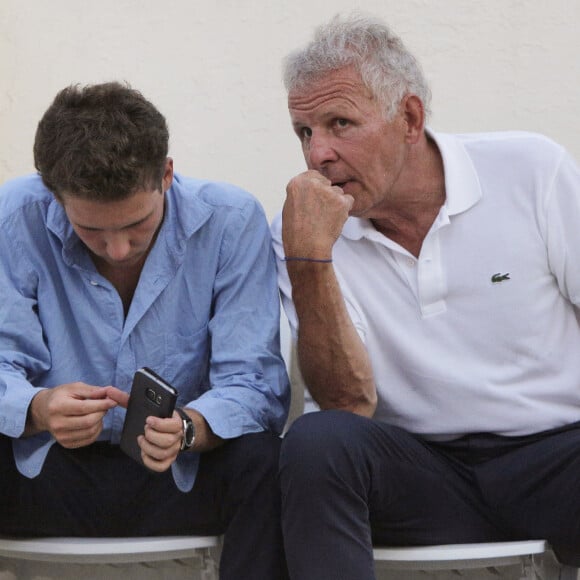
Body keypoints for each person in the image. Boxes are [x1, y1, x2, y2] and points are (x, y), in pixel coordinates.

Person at [271, 12, 580, 580]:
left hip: (555, 455)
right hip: (420, 474)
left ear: (409, 118)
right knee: (317, 443)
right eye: (304, 132)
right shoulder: (304, 230)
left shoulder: (530, 170)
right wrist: (310, 261)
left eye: (340, 123)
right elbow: (348, 406)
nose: (317, 154)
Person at [0, 82, 290, 580]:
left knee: (267, 458)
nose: (117, 249)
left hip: (183, 474)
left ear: (167, 175)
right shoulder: (13, 215)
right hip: (44, 473)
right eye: (91, 231)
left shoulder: (231, 220)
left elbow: (254, 384)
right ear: (54, 194)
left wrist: (188, 429)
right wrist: (37, 408)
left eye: (137, 224)